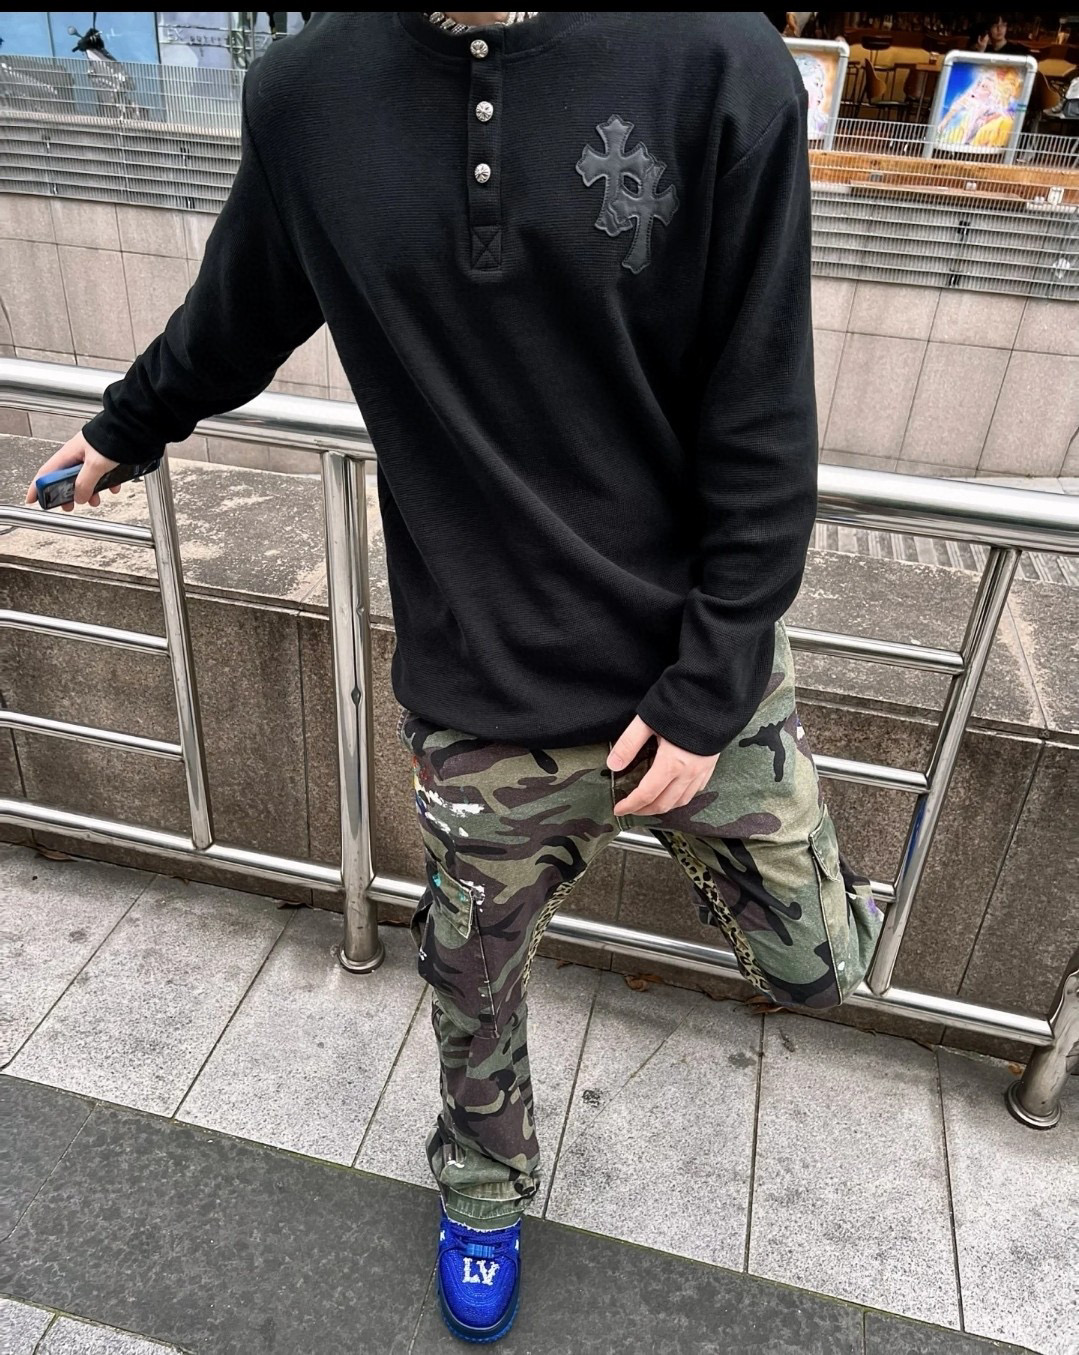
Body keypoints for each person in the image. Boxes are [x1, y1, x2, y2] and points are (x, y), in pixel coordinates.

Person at [25, 12, 883, 1344]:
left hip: (696, 669)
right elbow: (239, 310)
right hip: (480, 687)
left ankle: (790, 879)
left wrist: (713, 682)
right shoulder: (307, 90)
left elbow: (763, 404)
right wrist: (123, 431)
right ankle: (484, 1190)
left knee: (824, 970)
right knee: (471, 981)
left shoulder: (718, 61)